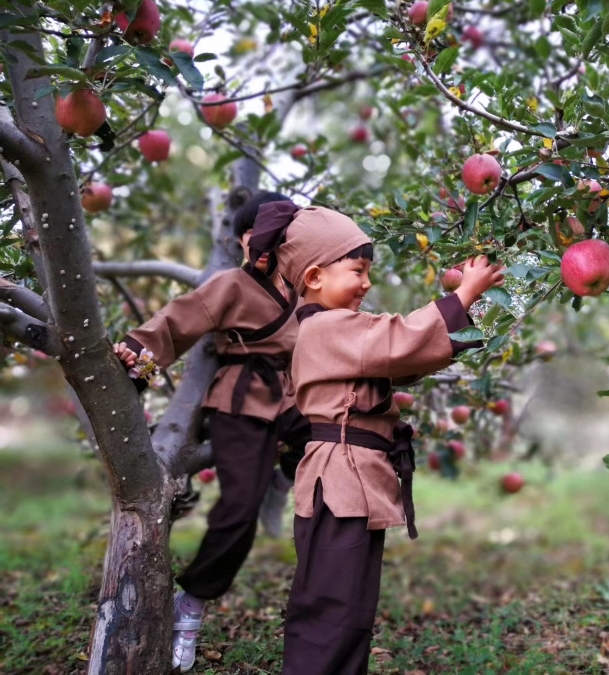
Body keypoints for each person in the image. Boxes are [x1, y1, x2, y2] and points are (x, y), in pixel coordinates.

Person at [247, 201, 505, 674]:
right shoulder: (327, 327)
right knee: (332, 606)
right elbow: (397, 339)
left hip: (351, 484)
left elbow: (401, 359)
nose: (366, 283)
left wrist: (470, 310)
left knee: (349, 608)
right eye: (357, 270)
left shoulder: (334, 329)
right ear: (314, 277)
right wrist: (462, 295)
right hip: (339, 484)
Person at [113, 191, 311, 672]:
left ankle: (280, 479)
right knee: (237, 512)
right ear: (245, 240)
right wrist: (137, 352)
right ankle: (191, 605)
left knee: (327, 435)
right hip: (242, 399)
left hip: (293, 394)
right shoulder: (230, 285)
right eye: (264, 237)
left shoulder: (302, 287)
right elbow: (182, 317)